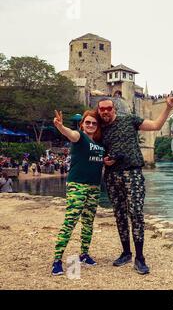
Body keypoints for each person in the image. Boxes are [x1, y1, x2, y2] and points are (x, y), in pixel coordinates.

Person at [97, 95, 173, 275]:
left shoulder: (130, 120)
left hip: (132, 173)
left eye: (108, 108)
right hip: (112, 176)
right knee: (119, 215)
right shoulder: (99, 129)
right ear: (99, 111)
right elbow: (90, 148)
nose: (105, 111)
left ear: (114, 109)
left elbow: (155, 125)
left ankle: (140, 258)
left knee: (136, 213)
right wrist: (104, 161)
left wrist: (168, 108)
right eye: (102, 109)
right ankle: (126, 253)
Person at [51, 109, 105, 276]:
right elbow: (70, 134)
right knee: (70, 222)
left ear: (97, 126)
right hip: (77, 185)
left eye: (94, 123)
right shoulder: (79, 137)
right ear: (82, 124)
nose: (90, 125)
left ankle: (84, 254)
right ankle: (57, 261)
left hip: (94, 187)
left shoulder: (100, 143)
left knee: (88, 223)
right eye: (87, 122)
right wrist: (60, 126)